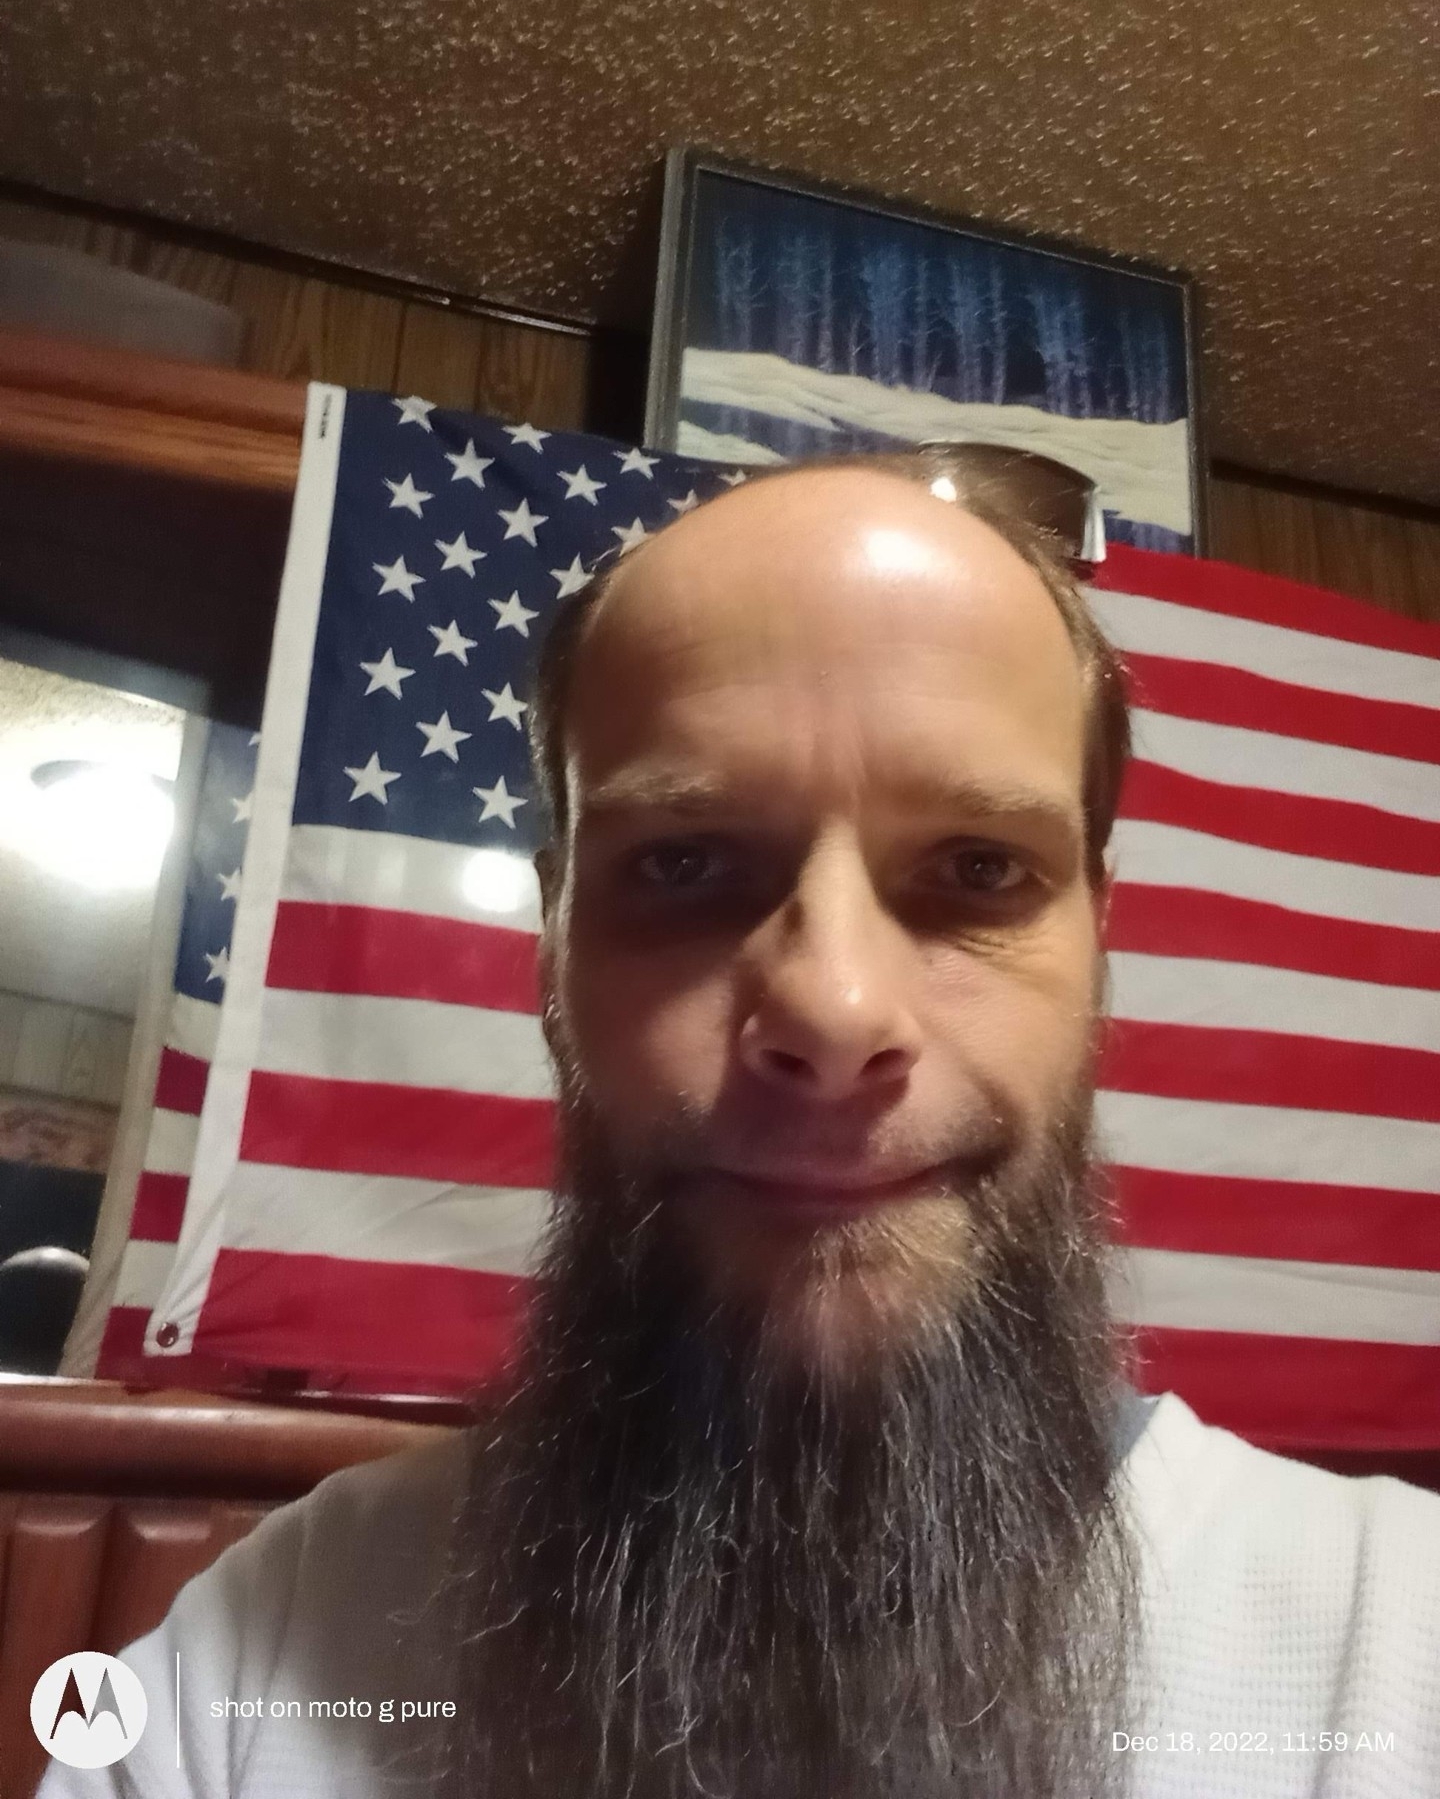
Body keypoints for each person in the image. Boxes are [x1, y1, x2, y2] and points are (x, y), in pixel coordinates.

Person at [37, 449, 1440, 1799]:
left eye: (979, 869)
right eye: (685, 863)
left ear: (1100, 948)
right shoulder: (249, 1673)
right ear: (552, 948)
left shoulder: (1398, 1647)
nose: (833, 1010)